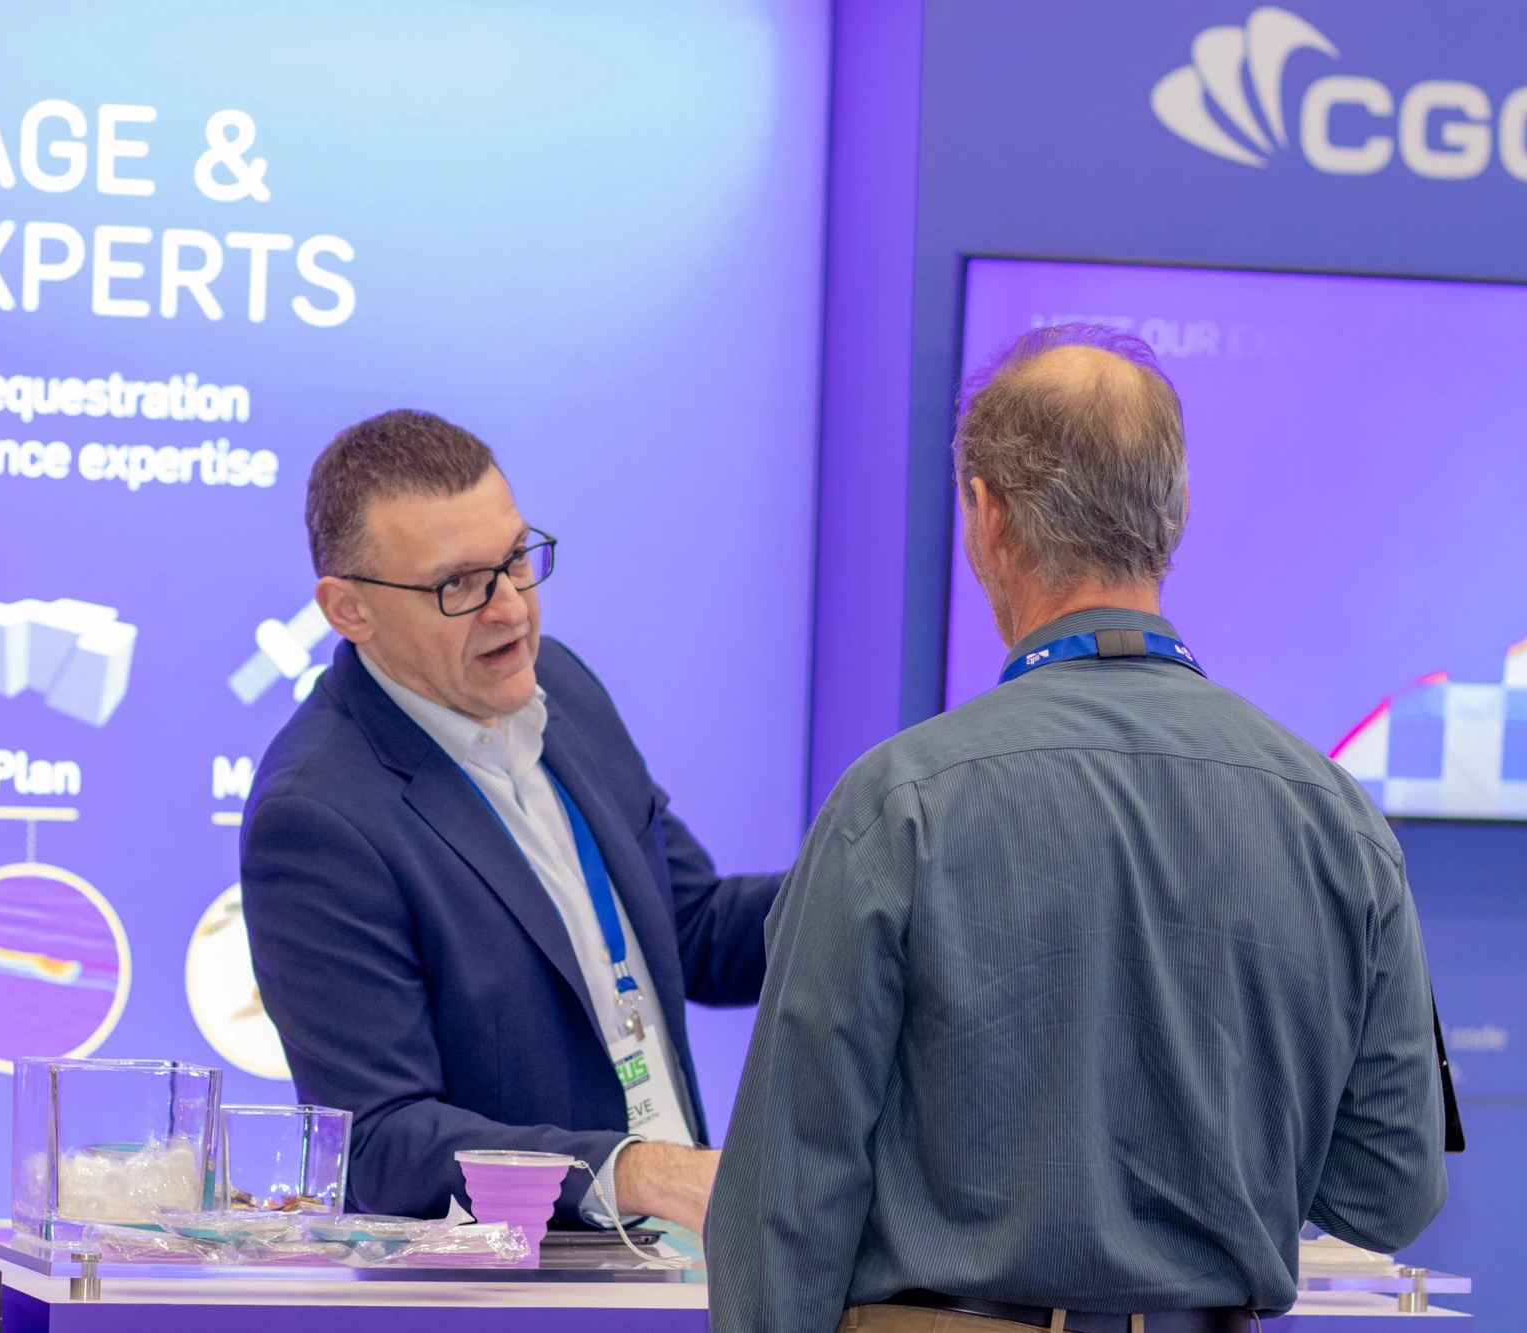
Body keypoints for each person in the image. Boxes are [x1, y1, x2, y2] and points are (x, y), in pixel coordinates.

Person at [709, 325, 1448, 1332]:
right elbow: (1389, 1191)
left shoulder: (896, 806)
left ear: (985, 516)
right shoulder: (1338, 822)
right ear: (1176, 510)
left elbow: (782, 1206)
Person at [240, 408, 783, 1230]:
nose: (511, 610)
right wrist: (634, 1172)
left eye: (516, 560)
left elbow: (691, 927)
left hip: (689, 1257)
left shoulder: (561, 684)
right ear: (349, 609)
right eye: (458, 584)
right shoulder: (317, 816)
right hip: (534, 1280)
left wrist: (880, 884)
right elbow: (382, 1142)